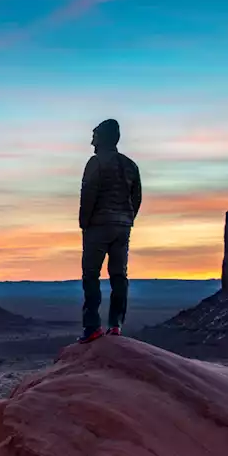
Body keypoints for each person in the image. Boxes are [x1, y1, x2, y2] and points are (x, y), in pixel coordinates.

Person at [78, 118, 142, 343]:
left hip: (99, 225)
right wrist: (127, 218)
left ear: (103, 138)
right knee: (118, 275)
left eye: (94, 135)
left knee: (91, 275)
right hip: (123, 226)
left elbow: (88, 194)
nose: (91, 141)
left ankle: (92, 327)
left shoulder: (95, 162)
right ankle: (115, 325)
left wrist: (84, 223)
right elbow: (137, 197)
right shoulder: (130, 165)